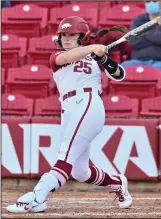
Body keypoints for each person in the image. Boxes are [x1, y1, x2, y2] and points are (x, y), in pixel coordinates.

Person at [6, 16, 133, 213]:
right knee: (80, 171)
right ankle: (117, 183)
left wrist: (103, 58)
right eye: (63, 35)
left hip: (89, 103)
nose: (66, 38)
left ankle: (37, 197)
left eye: (72, 35)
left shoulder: (94, 56)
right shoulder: (56, 57)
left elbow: (119, 75)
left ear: (82, 37)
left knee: (65, 155)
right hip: (69, 108)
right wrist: (93, 48)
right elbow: (67, 57)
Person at [121, 0, 161, 71]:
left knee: (155, 72)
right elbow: (132, 41)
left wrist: (144, 32)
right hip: (137, 61)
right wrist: (158, 36)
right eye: (148, 1)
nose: (151, 3)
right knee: (120, 70)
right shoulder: (137, 20)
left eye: (154, 1)